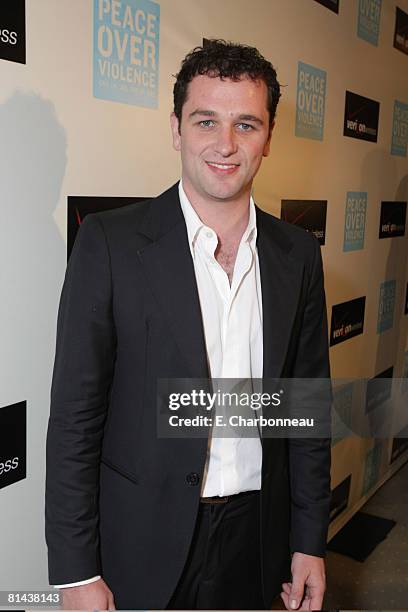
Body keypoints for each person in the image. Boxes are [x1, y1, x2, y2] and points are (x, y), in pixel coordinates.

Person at [45, 39, 331, 610]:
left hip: (259, 537)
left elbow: (306, 409)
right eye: (207, 121)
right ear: (177, 129)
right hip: (141, 539)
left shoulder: (297, 253)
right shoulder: (110, 244)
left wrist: (308, 541)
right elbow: (74, 421)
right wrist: (75, 573)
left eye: (246, 124)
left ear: (268, 137)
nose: (225, 145)